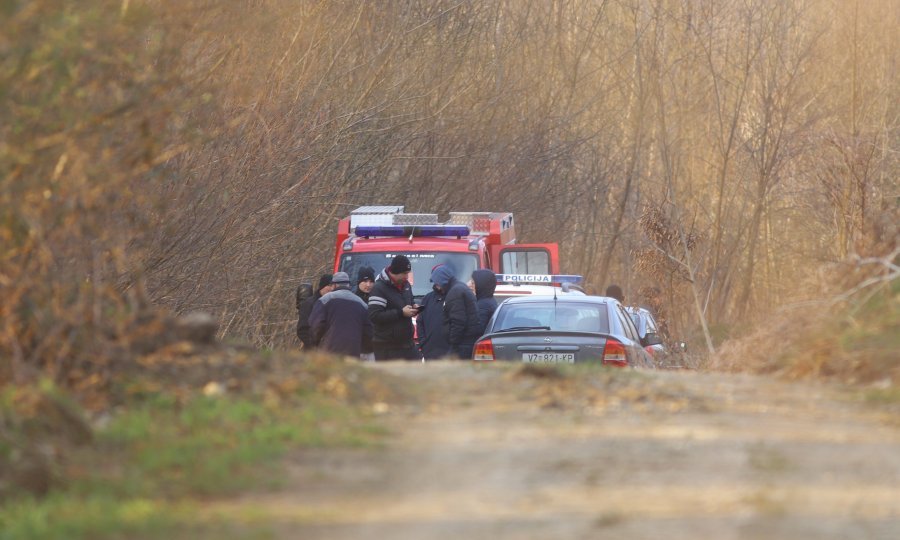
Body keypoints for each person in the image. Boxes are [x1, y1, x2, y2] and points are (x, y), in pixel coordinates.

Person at [368, 255, 420, 361]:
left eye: (408, 273)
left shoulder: (406, 285)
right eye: (404, 273)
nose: (407, 276)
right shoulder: (379, 288)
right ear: (395, 272)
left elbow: (410, 301)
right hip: (387, 348)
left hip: (408, 344)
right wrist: (400, 313)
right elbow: (375, 315)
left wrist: (414, 307)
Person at [309, 272, 373, 357]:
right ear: (348, 285)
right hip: (353, 352)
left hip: (329, 351)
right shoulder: (362, 303)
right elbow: (369, 332)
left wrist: (314, 344)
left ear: (334, 285)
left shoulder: (325, 299)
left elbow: (315, 325)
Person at [430, 265, 480, 359]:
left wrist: (453, 343)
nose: (437, 287)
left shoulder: (455, 292)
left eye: (437, 283)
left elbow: (458, 321)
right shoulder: (460, 287)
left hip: (462, 344)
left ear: (442, 280)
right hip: (466, 341)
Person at [417, 265, 450, 359]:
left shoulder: (454, 297)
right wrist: (423, 343)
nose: (437, 283)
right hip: (430, 353)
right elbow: (420, 322)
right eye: (435, 280)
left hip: (450, 353)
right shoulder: (427, 298)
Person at [297, 274, 333, 349]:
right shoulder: (309, 303)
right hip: (313, 351)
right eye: (329, 285)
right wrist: (314, 347)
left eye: (333, 286)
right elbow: (302, 330)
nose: (331, 288)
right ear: (322, 286)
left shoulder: (335, 304)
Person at [354, 266, 376, 361]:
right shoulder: (352, 300)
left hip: (373, 349)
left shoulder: (377, 300)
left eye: (371, 282)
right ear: (359, 282)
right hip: (355, 348)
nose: (368, 285)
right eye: (365, 281)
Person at [471, 269, 499, 337]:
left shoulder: (483, 305)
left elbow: (478, 329)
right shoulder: (489, 300)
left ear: (481, 284)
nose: (470, 285)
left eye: (473, 283)